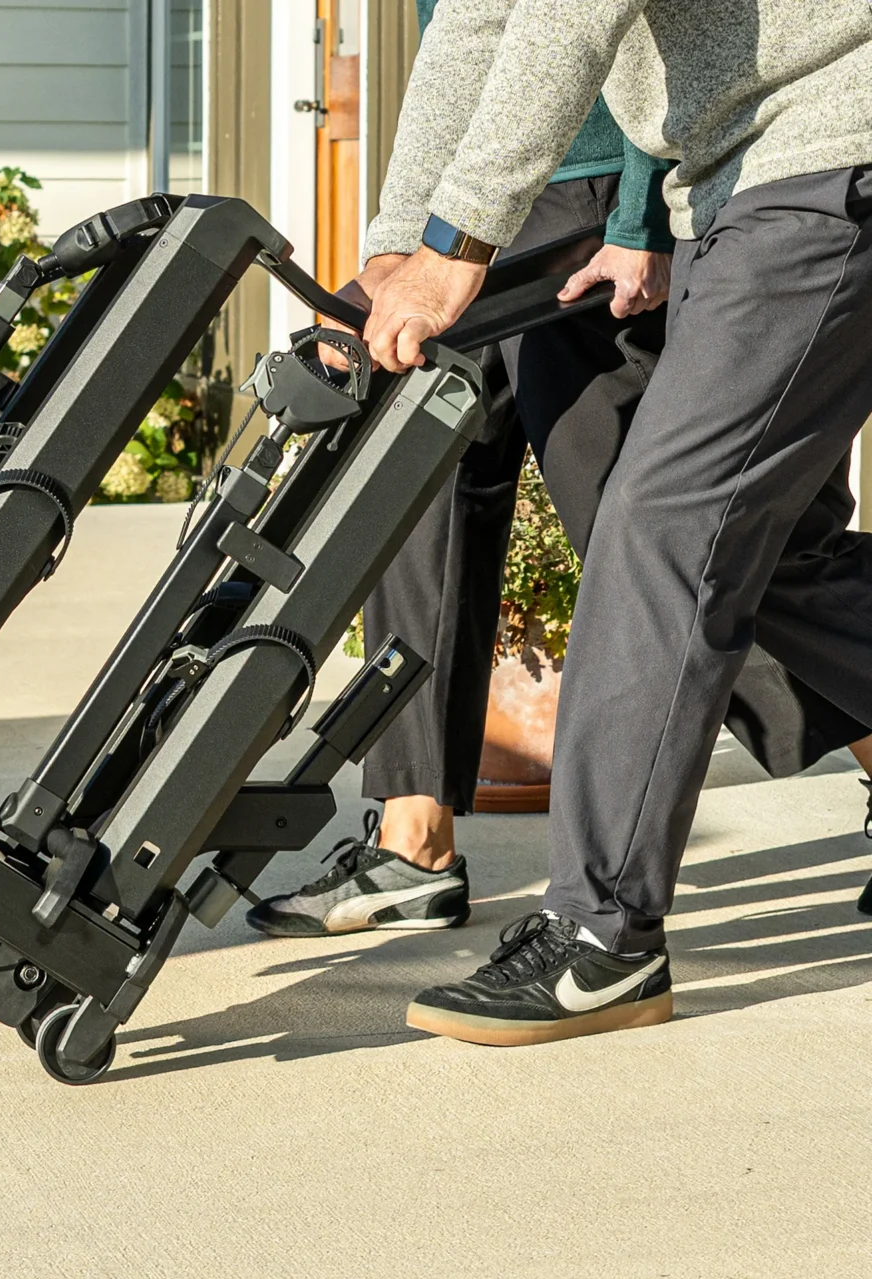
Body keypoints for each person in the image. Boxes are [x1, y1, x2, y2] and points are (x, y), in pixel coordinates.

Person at [247, 0, 872, 944]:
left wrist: (635, 215)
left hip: (619, 191)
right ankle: (412, 837)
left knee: (669, 537)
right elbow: (468, 26)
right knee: (415, 487)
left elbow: (589, 20)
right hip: (501, 188)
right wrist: (399, 244)